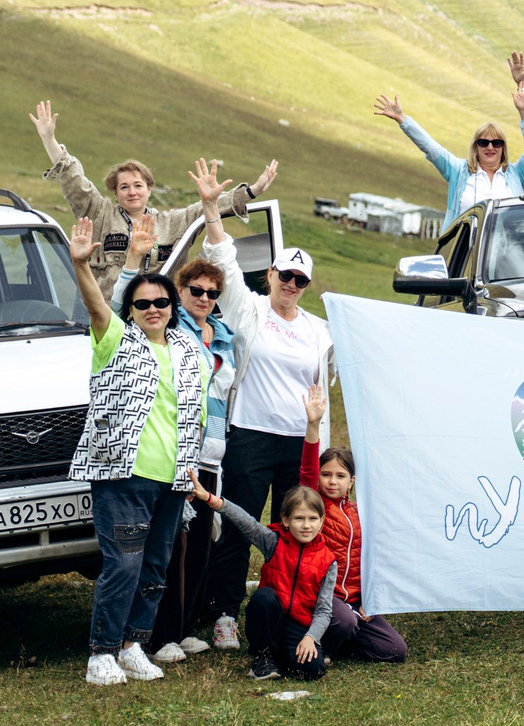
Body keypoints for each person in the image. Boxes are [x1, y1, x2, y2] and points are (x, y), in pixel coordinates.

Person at [193, 159, 335, 652]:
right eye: (286, 276)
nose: (291, 285)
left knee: (299, 529)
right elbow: (224, 260)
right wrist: (212, 207)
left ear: (307, 286)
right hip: (251, 433)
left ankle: (290, 609)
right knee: (239, 523)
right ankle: (224, 615)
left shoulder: (320, 330)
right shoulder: (249, 309)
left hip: (301, 440)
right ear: (271, 274)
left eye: (300, 280)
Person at [63, 218, 208, 686]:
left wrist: (189, 473)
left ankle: (133, 645)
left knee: (154, 566)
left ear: (172, 306)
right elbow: (94, 303)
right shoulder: (116, 341)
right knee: (122, 564)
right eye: (142, 303)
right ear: (130, 309)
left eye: (161, 302)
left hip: (173, 478)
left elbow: (196, 414)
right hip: (123, 473)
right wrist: (81, 265)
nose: (153, 308)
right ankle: (101, 653)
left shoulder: (188, 351)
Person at [109, 235, 238, 663]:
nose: (204, 298)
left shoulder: (222, 334)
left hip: (213, 450)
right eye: (196, 290)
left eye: (212, 293)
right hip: (175, 452)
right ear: (178, 293)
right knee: (171, 548)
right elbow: (112, 313)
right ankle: (157, 635)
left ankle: (182, 628)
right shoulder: (167, 328)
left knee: (200, 543)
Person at [30, 99, 271, 287]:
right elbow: (74, 180)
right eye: (124, 187)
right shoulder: (100, 213)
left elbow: (208, 208)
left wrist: (252, 191)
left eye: (138, 185)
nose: (132, 192)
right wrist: (50, 140)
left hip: (159, 317)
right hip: (110, 317)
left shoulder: (171, 223)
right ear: (115, 192)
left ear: (149, 188)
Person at [189, 475, 342, 683]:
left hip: (299, 625)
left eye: (313, 519)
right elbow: (246, 521)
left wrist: (310, 638)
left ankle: (282, 655)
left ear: (321, 521)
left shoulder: (328, 561)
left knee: (313, 671)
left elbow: (324, 610)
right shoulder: (273, 542)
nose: (306, 525)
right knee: (264, 597)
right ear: (286, 520)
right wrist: (211, 499)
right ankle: (262, 655)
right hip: (270, 617)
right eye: (299, 518)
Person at [373, 52, 524, 221]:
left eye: (496, 143)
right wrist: (402, 119)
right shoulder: (459, 172)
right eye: (484, 142)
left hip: (506, 248)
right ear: (476, 147)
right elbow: (430, 147)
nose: (490, 147)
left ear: (503, 148)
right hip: (464, 248)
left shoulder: (516, 174)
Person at [300, 403, 409, 663]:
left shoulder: (361, 512)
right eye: (326, 475)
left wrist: (372, 600)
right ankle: (322, 644)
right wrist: (313, 424)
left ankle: (344, 641)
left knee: (395, 649)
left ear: (352, 480)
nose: (332, 481)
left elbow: (374, 559)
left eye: (340, 475)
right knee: (345, 621)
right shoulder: (313, 505)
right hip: (324, 598)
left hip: (356, 599)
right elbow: (307, 470)